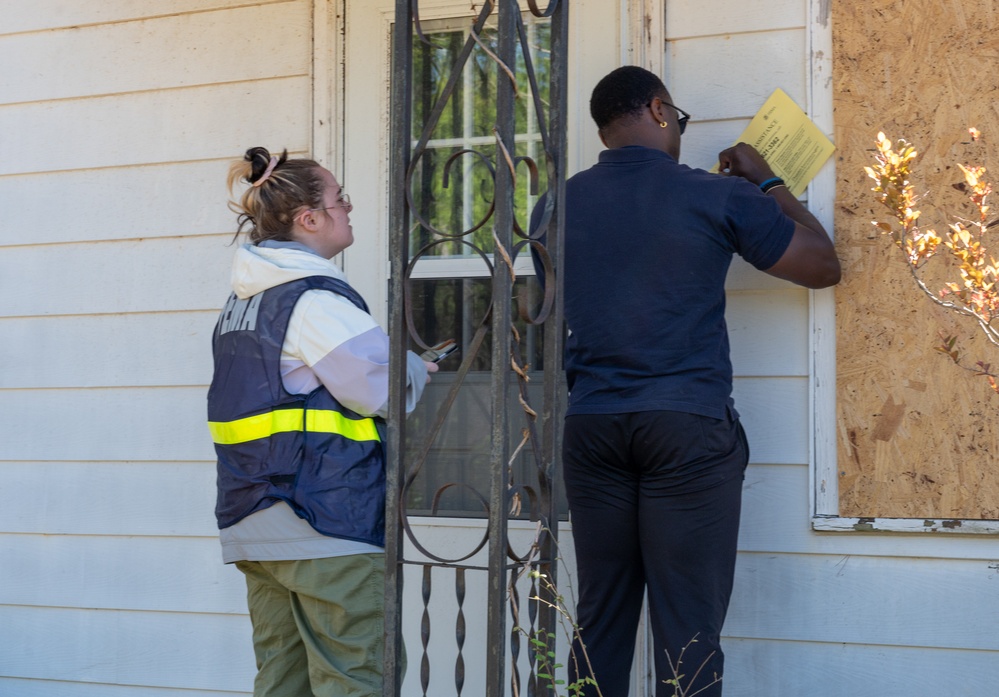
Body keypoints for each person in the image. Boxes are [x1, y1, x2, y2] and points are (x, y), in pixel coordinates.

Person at [529, 67, 840, 696]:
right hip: (684, 429)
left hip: (593, 428)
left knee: (601, 619)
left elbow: (553, 308)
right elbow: (823, 264)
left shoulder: (553, 205)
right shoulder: (714, 195)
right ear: (659, 110)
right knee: (689, 630)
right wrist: (767, 181)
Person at [207, 147, 436, 697]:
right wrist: (415, 367)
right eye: (341, 199)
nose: (349, 209)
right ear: (308, 219)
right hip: (323, 523)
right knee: (358, 682)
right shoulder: (313, 300)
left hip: (255, 525)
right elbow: (377, 390)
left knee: (283, 684)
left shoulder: (242, 304)